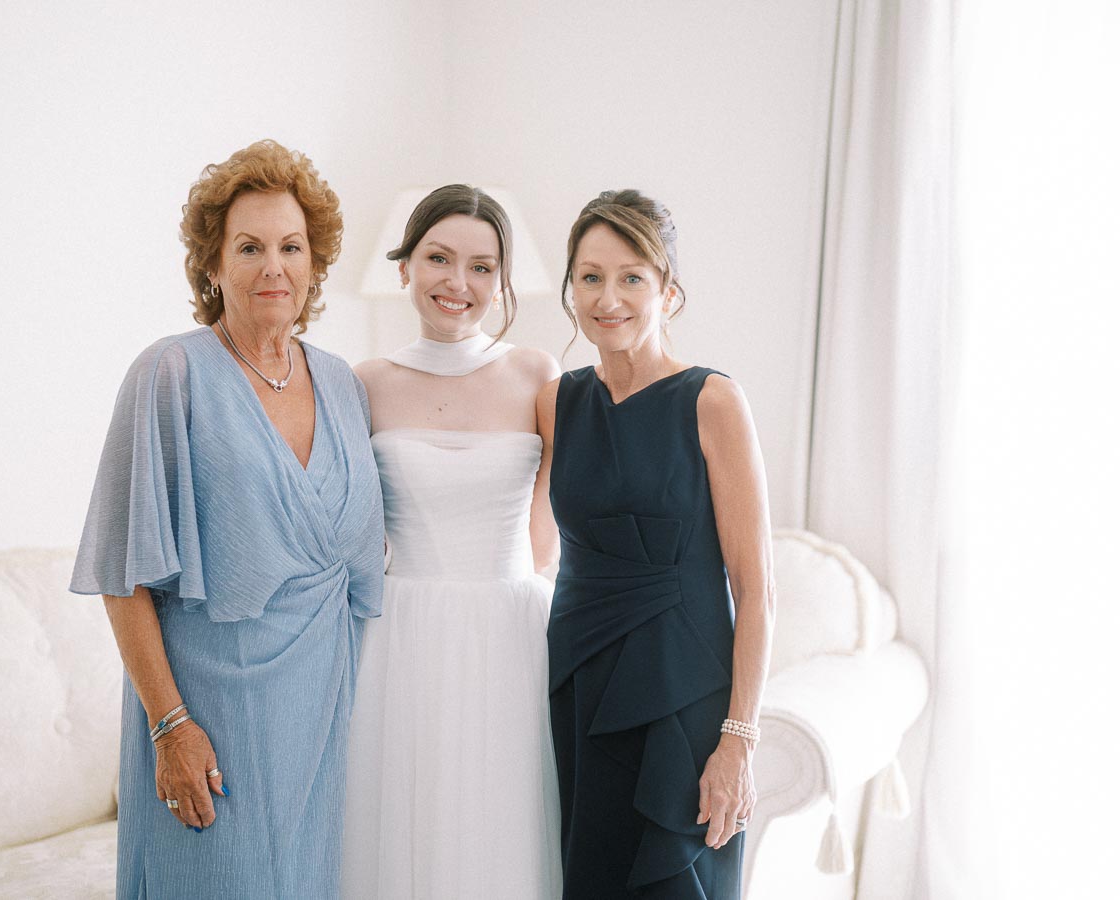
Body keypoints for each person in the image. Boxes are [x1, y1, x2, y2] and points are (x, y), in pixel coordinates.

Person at [69, 140, 384, 897]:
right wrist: (170, 726)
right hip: (208, 726)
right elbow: (122, 575)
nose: (274, 266)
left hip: (323, 726)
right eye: (249, 247)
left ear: (314, 263)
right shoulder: (170, 373)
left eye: (291, 247)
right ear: (212, 265)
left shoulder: (343, 384)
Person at [537, 190, 775, 899]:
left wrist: (738, 739)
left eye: (631, 277)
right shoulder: (556, 402)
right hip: (581, 682)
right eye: (590, 277)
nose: (608, 298)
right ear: (571, 288)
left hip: (684, 695)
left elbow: (757, 589)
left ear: (668, 292)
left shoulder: (712, 400)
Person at [342, 184, 564, 898]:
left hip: (513, 633)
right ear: (405, 266)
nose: (457, 282)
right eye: (438, 258)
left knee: (501, 825)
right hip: (399, 636)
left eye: (481, 266)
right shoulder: (364, 383)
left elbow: (551, 529)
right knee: (405, 823)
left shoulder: (538, 375)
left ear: (502, 281)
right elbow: (350, 527)